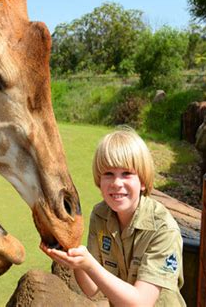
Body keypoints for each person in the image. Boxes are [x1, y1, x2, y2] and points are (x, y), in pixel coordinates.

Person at [41, 128, 185, 306]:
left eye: (127, 174)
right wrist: (74, 257)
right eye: (108, 174)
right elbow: (92, 289)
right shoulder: (100, 215)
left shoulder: (163, 229)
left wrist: (89, 264)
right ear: (99, 180)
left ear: (142, 181)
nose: (117, 183)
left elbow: (141, 302)